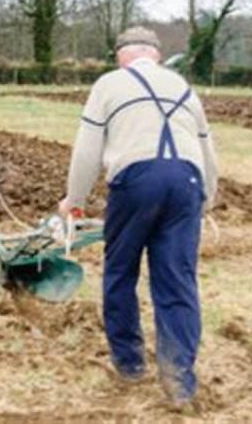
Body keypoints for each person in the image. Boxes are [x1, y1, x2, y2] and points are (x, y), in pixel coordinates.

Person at [59, 26, 218, 407]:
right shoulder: (182, 86)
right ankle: (179, 378)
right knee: (178, 281)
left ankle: (129, 363)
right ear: (157, 56)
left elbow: (87, 150)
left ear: (121, 57)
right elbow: (207, 151)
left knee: (120, 270)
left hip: (136, 181)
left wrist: (74, 200)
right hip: (186, 182)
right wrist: (205, 201)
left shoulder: (109, 84)